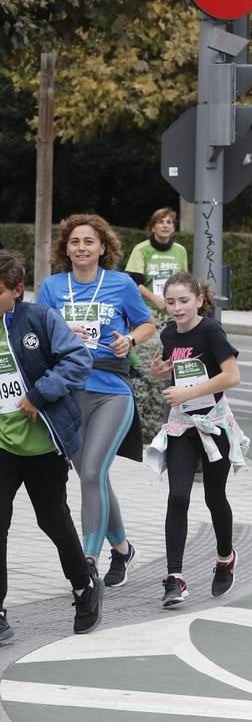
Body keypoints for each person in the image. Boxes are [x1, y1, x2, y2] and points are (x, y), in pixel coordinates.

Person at [38, 214, 156, 588]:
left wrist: (131, 341)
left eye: (89, 241)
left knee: (91, 473)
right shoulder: (52, 287)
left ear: (103, 247)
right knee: (94, 477)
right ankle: (122, 549)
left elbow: (147, 324)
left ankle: (87, 560)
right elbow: (35, 336)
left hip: (111, 391)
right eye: (75, 242)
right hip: (68, 395)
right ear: (66, 249)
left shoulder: (120, 284)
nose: (82, 248)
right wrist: (58, 329)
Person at [0, 250, 102, 640]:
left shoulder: (38, 319)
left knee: (52, 520)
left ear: (17, 290)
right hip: (3, 446)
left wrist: (40, 393)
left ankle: (84, 587)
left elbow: (78, 360)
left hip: (42, 444)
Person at [147, 273, 249, 608]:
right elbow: (176, 370)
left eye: (184, 301)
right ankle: (174, 578)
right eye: (171, 302)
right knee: (177, 496)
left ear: (199, 301)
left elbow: (231, 376)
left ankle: (225, 557)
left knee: (214, 497)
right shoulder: (168, 334)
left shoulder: (210, 331)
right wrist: (161, 370)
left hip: (214, 424)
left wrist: (188, 390)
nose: (177, 308)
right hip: (182, 424)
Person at [124, 207, 189, 317]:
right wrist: (154, 298)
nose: (165, 225)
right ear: (153, 227)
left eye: (169, 222)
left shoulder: (180, 250)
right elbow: (133, 282)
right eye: (160, 222)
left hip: (174, 313)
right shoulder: (141, 249)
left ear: (173, 228)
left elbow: (184, 281)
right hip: (147, 311)